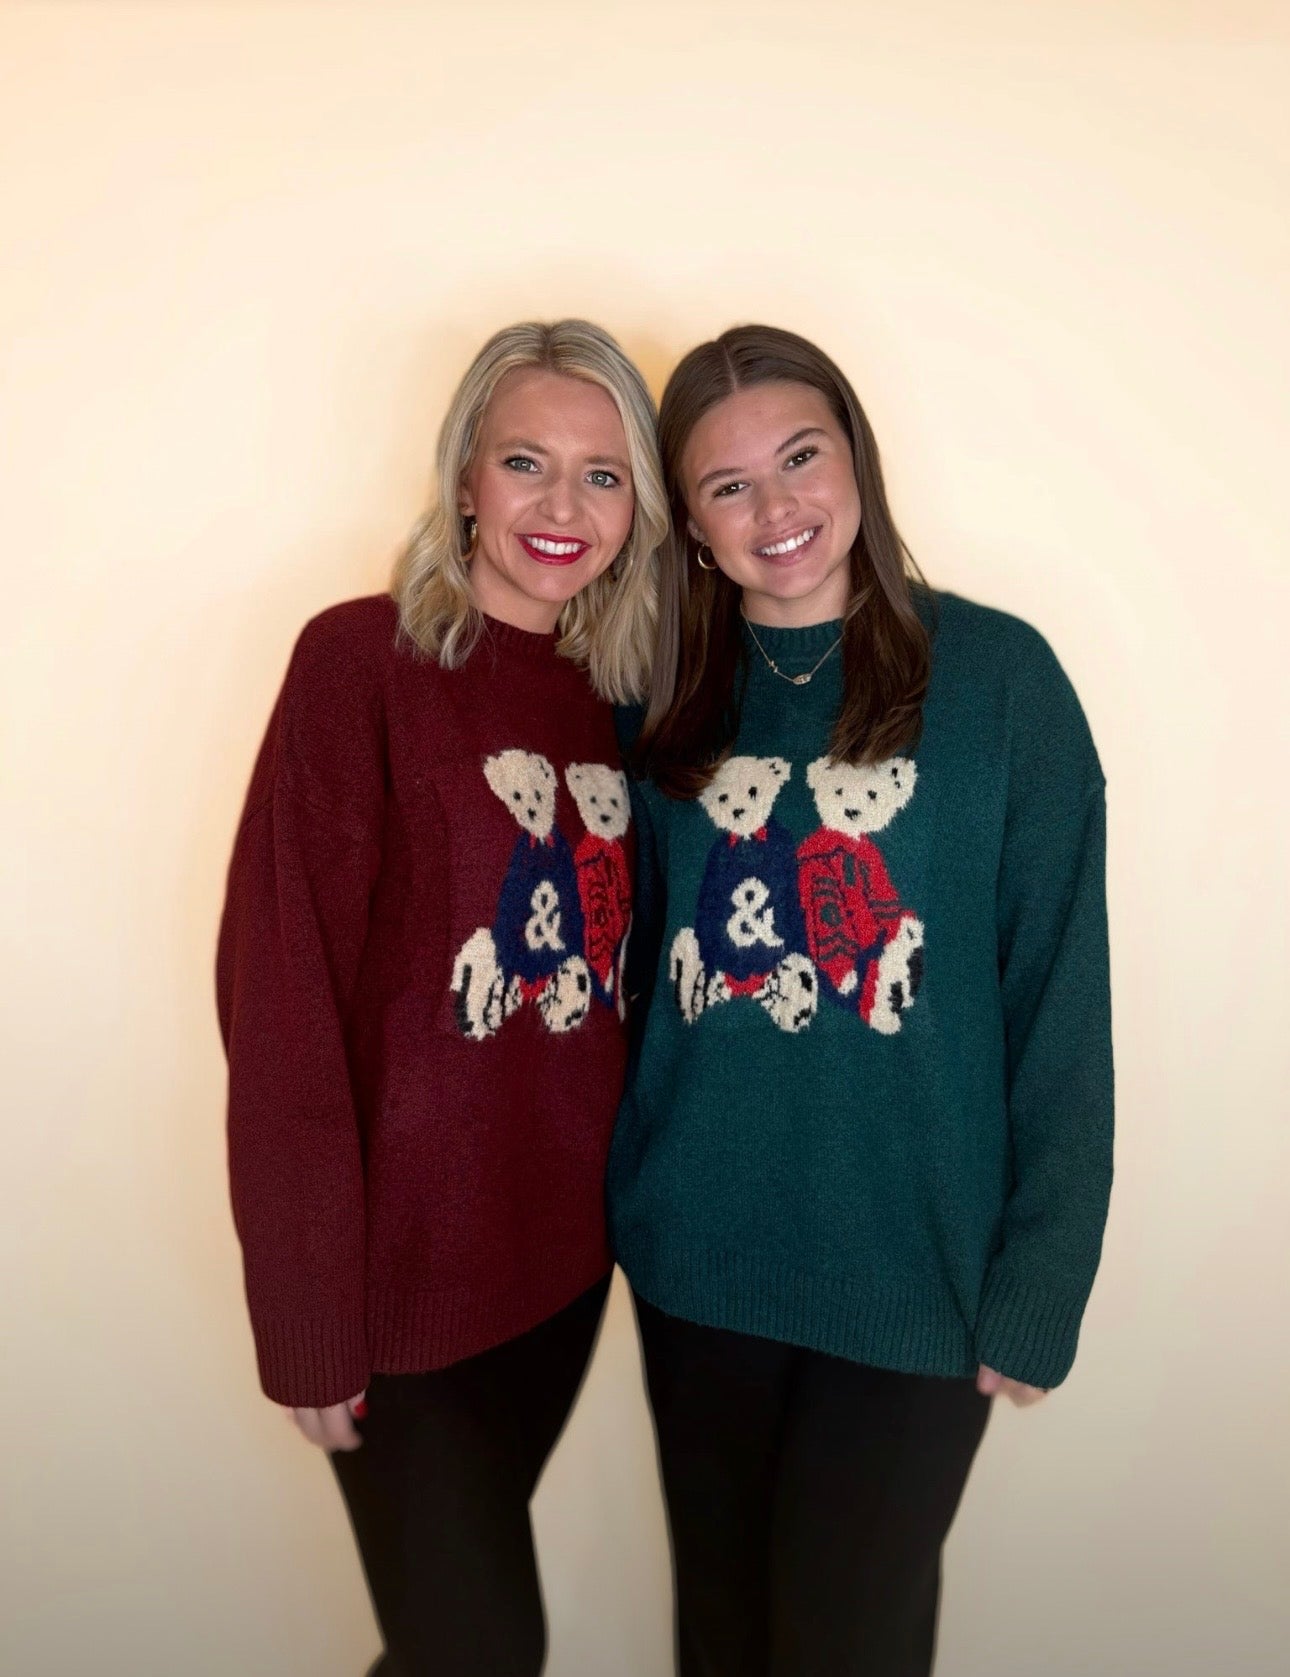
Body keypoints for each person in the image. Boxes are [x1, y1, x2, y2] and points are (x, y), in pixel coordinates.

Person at [613, 324, 1114, 1676]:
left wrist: (1040, 1281)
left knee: (844, 1644)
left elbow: (1058, 993)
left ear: (856, 461)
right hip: (696, 1259)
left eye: (798, 456)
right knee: (722, 1641)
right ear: (693, 526)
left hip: (917, 1271)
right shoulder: (652, 695)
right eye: (726, 485)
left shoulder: (1000, 684)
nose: (776, 509)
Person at [216, 318, 666, 1677]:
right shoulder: (358, 664)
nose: (559, 506)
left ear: (638, 504)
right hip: (401, 1283)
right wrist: (304, 1311)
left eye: (601, 474)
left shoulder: (621, 699)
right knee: (481, 1651)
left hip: (561, 1267)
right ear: (463, 475)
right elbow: (280, 994)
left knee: (438, 1646)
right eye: (525, 460)